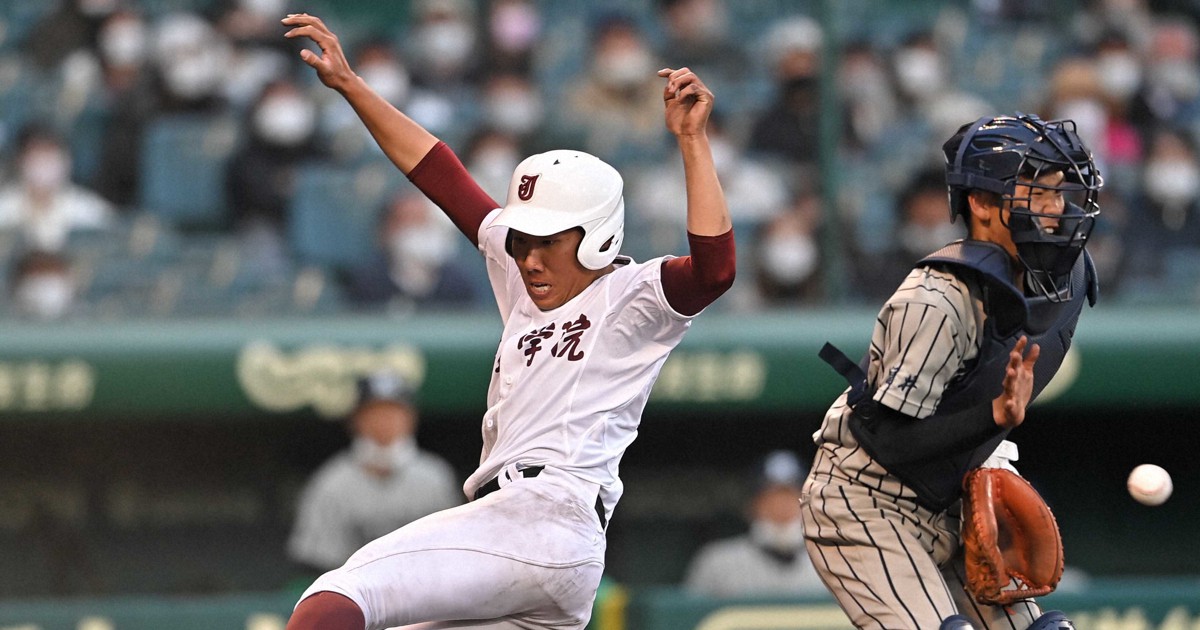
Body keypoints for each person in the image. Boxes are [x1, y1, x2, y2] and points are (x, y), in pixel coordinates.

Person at [282, 12, 735, 630]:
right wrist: (354, 87)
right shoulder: (522, 276)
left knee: (332, 603)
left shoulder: (631, 296)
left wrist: (691, 143)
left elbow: (714, 271)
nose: (527, 256)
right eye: (522, 240)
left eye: (547, 241)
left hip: (546, 512)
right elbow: (443, 177)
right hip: (542, 550)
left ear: (598, 237)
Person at [801, 114, 1102, 630]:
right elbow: (891, 443)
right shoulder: (936, 300)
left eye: (1061, 192)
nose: (1056, 209)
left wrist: (998, 461)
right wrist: (994, 417)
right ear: (982, 204)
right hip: (867, 498)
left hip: (955, 495)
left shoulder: (1067, 279)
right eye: (1038, 192)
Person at [287, 370, 461, 576]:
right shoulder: (332, 483)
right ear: (355, 421)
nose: (384, 422)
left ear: (411, 419)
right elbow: (317, 565)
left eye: (393, 413)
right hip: (352, 598)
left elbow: (454, 555)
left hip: (425, 594)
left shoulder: (435, 478)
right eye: (374, 413)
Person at [683, 450, 826, 598]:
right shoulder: (716, 562)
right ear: (752, 506)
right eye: (770, 498)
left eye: (790, 497)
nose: (781, 506)